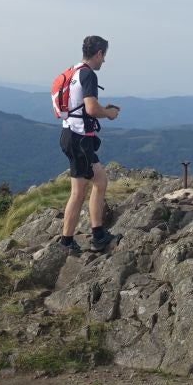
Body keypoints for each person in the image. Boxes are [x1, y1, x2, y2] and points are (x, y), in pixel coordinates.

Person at [57, 35, 121, 254]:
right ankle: (66, 242)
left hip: (72, 134)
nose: (104, 61)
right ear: (99, 53)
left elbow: (82, 106)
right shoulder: (88, 75)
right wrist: (110, 113)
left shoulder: (73, 71)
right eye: (104, 56)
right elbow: (92, 109)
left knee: (100, 180)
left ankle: (98, 233)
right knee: (78, 191)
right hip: (79, 140)